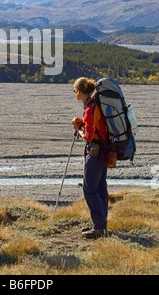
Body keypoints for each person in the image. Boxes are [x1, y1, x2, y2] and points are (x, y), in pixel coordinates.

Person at [72, 77, 109, 239]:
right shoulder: (97, 104)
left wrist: (78, 128)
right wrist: (83, 124)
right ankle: (101, 224)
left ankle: (99, 227)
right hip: (105, 151)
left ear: (81, 91)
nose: (75, 94)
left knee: (89, 189)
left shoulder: (90, 109)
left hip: (95, 152)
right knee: (100, 187)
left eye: (75, 91)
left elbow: (87, 136)